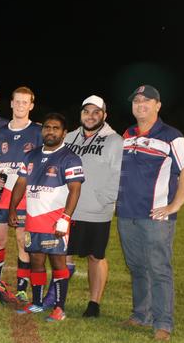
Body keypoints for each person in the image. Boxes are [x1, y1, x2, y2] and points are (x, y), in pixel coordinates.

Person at [117, 85, 184, 341]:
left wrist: (175, 205)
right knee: (137, 266)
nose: (140, 104)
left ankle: (163, 322)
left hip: (156, 217)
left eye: (146, 101)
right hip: (126, 213)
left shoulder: (172, 136)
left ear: (158, 105)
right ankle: (142, 315)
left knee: (159, 269)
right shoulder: (127, 134)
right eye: (136, 100)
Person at [47, 95, 122, 317]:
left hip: (96, 211)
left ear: (104, 115)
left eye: (96, 112)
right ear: (80, 114)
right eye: (86, 112)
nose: (91, 116)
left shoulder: (114, 140)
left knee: (95, 256)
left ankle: (94, 303)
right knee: (61, 254)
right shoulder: (69, 138)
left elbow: (118, 175)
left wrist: (103, 199)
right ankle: (58, 299)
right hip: (67, 210)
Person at [10, 113, 84, 322]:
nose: (50, 131)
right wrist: (13, 208)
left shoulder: (69, 158)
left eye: (56, 128)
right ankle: (37, 303)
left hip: (55, 221)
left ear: (64, 133)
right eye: (47, 127)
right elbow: (20, 184)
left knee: (58, 263)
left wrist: (65, 218)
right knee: (36, 261)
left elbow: (75, 190)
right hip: (33, 220)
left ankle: (59, 308)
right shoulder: (31, 155)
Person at [0, 86, 43, 301]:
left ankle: (21, 288)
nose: (20, 105)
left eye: (25, 102)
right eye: (17, 101)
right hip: (2, 195)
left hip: (24, 195)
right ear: (11, 103)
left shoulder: (38, 132)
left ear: (31, 105)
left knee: (22, 241)